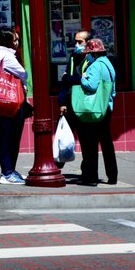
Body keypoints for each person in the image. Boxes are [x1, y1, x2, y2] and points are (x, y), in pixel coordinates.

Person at [0, 27, 29, 185]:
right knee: (12, 137)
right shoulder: (7, 56)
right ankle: (7, 172)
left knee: (3, 135)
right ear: (7, 41)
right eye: (15, 39)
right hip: (11, 100)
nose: (17, 42)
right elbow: (24, 74)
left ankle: (8, 169)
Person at [76, 38, 117, 186]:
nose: (87, 56)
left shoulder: (95, 66)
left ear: (93, 53)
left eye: (88, 53)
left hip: (95, 110)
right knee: (107, 143)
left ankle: (90, 177)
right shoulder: (108, 64)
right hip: (107, 107)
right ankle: (112, 175)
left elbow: (91, 86)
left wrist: (82, 79)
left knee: (90, 144)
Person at [56, 29, 89, 169]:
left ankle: (87, 170)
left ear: (88, 44)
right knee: (63, 138)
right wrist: (62, 102)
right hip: (69, 103)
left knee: (86, 139)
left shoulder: (91, 60)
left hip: (84, 104)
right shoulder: (73, 57)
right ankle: (57, 166)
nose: (76, 44)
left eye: (80, 42)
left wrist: (68, 78)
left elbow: (86, 81)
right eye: (75, 41)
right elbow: (65, 81)